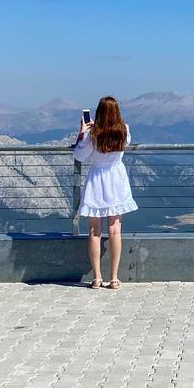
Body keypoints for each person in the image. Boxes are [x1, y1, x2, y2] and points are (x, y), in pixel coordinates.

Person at [73, 96, 138, 289]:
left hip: (97, 179)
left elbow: (79, 155)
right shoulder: (124, 130)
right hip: (116, 178)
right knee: (115, 230)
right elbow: (124, 145)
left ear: (99, 112)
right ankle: (114, 278)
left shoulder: (92, 134)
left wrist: (82, 133)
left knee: (94, 231)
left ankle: (97, 278)